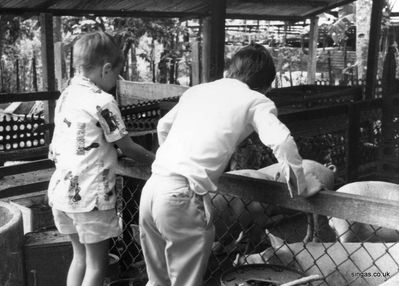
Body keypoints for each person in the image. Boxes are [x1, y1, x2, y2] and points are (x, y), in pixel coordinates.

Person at [139, 43, 323, 286]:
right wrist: (301, 184)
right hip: (179, 198)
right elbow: (282, 140)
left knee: (157, 281)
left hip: (152, 189)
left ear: (231, 70)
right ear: (266, 87)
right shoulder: (255, 99)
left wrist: (174, 163)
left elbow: (163, 126)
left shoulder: (197, 91)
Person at [47, 31, 155, 286]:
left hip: (62, 193)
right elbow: (127, 147)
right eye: (116, 75)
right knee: (98, 264)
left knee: (79, 258)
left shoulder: (66, 96)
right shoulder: (103, 101)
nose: (115, 82)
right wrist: (157, 160)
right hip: (90, 196)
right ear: (106, 69)